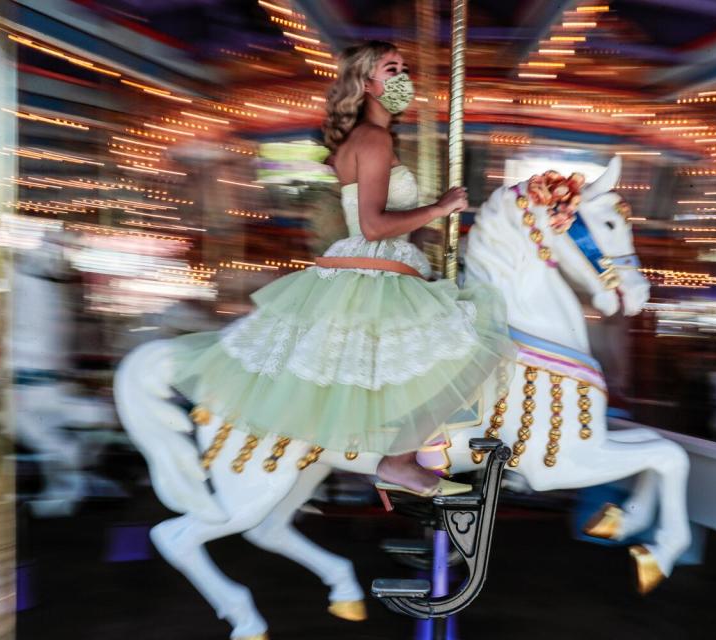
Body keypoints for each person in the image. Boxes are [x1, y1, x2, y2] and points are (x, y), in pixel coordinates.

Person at [169, 41, 513, 497]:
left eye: (404, 68)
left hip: (389, 263)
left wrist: (428, 225)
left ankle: (409, 455)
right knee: (468, 348)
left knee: (418, 364)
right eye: (392, 69)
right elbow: (372, 226)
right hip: (374, 269)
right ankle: (399, 460)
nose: (403, 78)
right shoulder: (373, 139)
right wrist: (439, 208)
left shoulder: (375, 138)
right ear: (365, 82)